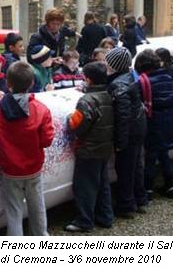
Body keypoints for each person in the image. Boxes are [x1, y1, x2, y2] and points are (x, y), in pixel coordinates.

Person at [0, 61, 54, 235]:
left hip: (9, 169)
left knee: (14, 210)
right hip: (33, 168)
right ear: (32, 83)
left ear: (8, 83)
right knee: (37, 206)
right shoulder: (41, 109)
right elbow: (47, 141)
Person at [64, 62, 114, 232]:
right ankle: (105, 217)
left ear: (88, 79)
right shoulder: (108, 94)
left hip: (88, 149)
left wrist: (70, 119)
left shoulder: (86, 101)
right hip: (105, 146)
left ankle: (84, 220)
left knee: (85, 186)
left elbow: (77, 126)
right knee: (103, 184)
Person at [105, 47, 147, 218]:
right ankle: (140, 198)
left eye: (107, 62)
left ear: (114, 65)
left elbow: (123, 116)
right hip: (138, 128)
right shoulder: (129, 77)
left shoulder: (118, 84)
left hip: (129, 133)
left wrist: (120, 143)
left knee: (125, 170)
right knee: (136, 166)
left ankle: (126, 205)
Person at [135, 50, 173, 200]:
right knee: (164, 154)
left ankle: (148, 190)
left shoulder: (142, 81)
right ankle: (170, 186)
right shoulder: (167, 76)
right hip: (170, 119)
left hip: (153, 122)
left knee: (150, 157)